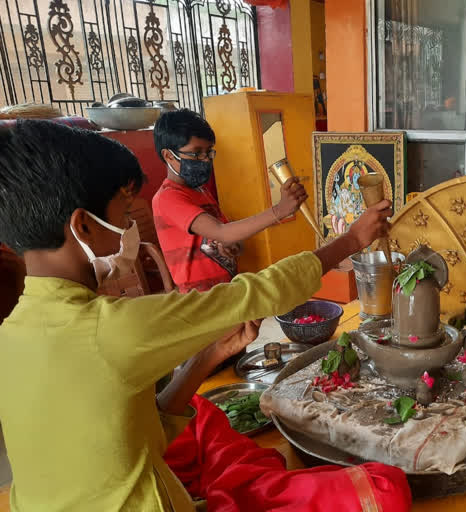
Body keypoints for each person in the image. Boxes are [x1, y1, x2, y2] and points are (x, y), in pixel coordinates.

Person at [0, 120, 396, 511]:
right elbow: (258, 292)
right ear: (83, 226)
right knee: (382, 489)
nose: (130, 228)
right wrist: (350, 239)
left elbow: (136, 434)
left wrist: (207, 357)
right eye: (124, 214)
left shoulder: (12, 333)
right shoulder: (109, 328)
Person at [152, 108, 308, 293]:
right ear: (169, 155)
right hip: (200, 300)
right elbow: (222, 232)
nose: (204, 160)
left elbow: (228, 236)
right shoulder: (168, 198)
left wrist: (233, 246)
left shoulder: (201, 191)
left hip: (224, 290)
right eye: (196, 153)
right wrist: (279, 210)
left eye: (208, 152)